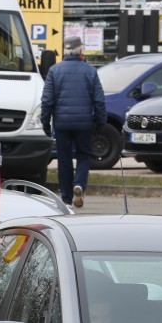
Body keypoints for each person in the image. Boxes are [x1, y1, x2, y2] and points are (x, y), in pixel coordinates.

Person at [40, 35, 106, 209]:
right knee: (84, 155)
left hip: (61, 124)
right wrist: (101, 121)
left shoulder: (54, 70)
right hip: (84, 123)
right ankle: (79, 185)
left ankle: (67, 197)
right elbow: (99, 99)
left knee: (64, 159)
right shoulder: (90, 71)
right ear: (80, 51)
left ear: (65, 50)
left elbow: (47, 100)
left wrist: (45, 122)